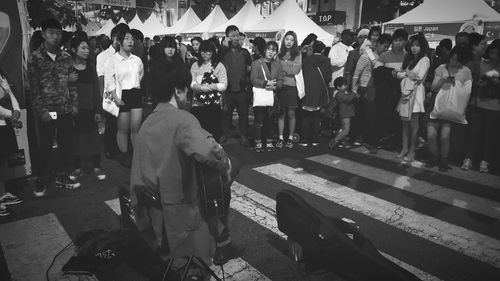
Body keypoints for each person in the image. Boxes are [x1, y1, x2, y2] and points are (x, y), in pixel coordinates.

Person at [129, 67, 244, 278]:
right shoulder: (182, 119)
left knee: (215, 180)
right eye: (186, 91)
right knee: (226, 173)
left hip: (150, 208)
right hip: (177, 210)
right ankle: (221, 239)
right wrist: (225, 162)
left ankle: (221, 237)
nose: (188, 97)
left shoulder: (149, 120)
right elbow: (209, 151)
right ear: (178, 91)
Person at [28, 18, 80, 197]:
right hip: (46, 110)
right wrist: (42, 111)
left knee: (66, 143)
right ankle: (41, 178)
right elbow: (34, 89)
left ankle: (62, 175)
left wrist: (74, 104)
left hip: (65, 108)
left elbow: (73, 83)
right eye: (51, 33)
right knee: (45, 145)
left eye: (58, 33)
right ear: (43, 34)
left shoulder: (66, 57)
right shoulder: (35, 57)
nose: (55, 37)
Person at [427, 46, 472, 172]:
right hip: (436, 105)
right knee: (431, 135)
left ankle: (443, 161)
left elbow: (467, 91)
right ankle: (434, 157)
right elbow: (433, 88)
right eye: (453, 59)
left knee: (445, 136)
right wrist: (443, 80)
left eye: (458, 61)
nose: (455, 63)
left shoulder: (466, 71)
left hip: (453, 108)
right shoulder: (441, 68)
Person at [104, 29, 144, 168]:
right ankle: (124, 155)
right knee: (122, 129)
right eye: (127, 38)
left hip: (136, 94)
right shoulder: (112, 60)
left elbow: (141, 75)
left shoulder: (137, 59)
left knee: (136, 128)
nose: (130, 41)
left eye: (132, 39)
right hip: (122, 95)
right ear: (119, 42)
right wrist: (115, 97)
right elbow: (109, 81)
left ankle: (137, 155)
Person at [68, 36, 106, 182]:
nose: (86, 50)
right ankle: (77, 167)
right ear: (73, 50)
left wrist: (98, 110)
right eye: (83, 48)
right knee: (75, 138)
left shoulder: (90, 67)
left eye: (87, 48)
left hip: (90, 108)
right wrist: (67, 79)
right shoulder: (68, 68)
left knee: (93, 137)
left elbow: (96, 90)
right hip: (74, 109)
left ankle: (97, 166)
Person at [461, 40, 500, 173]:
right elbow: (473, 81)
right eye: (492, 52)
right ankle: (468, 158)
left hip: (494, 105)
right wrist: (480, 83)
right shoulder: (482, 64)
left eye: (497, 54)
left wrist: (496, 82)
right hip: (477, 101)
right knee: (474, 132)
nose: (494, 56)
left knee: (488, 134)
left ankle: (485, 160)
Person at [352, 33, 393, 154]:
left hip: (375, 89)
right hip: (364, 88)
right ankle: (363, 139)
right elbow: (356, 73)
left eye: (388, 47)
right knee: (368, 115)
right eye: (385, 46)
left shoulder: (382, 58)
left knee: (371, 116)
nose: (386, 49)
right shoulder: (367, 56)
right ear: (378, 44)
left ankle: (367, 138)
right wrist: (354, 90)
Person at [395, 34, 431, 162]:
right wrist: (407, 73)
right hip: (405, 93)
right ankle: (404, 148)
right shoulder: (409, 59)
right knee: (404, 123)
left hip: (415, 94)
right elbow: (399, 75)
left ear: (422, 46)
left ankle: (412, 150)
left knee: (413, 124)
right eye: (412, 45)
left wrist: (405, 74)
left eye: (417, 45)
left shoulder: (424, 60)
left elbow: (419, 77)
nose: (414, 48)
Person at [96, 23, 129, 160]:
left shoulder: (127, 55)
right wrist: (103, 100)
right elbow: (101, 79)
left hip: (125, 94)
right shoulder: (103, 56)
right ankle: (110, 149)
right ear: (114, 38)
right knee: (111, 125)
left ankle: (123, 149)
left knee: (123, 124)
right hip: (110, 95)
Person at [220, 25, 252, 146]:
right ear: (227, 37)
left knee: (243, 115)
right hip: (227, 90)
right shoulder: (223, 52)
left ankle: (244, 135)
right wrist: (224, 46)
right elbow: (217, 60)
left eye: (237, 35)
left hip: (242, 90)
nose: (236, 38)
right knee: (226, 115)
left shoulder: (245, 52)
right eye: (232, 36)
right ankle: (224, 134)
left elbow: (249, 67)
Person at [190, 40, 228, 142]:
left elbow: (224, 85)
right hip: (197, 104)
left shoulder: (218, 65)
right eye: (202, 51)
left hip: (214, 104)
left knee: (214, 132)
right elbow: (192, 83)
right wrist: (199, 87)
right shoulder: (195, 65)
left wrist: (208, 87)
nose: (205, 54)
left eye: (208, 52)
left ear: (213, 52)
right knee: (199, 132)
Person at [250, 40, 283, 152]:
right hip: (260, 95)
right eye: (269, 49)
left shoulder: (277, 65)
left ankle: (269, 142)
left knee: (270, 120)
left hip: (272, 95)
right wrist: (266, 83)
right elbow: (253, 79)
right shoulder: (256, 63)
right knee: (258, 120)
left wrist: (276, 86)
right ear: (264, 50)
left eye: (274, 50)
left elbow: (280, 80)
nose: (271, 52)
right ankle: (258, 142)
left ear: (276, 53)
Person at [298, 41, 332, 147]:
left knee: (306, 117)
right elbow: (328, 78)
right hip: (319, 91)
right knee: (316, 117)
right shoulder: (326, 60)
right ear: (322, 50)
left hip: (307, 91)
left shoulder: (306, 60)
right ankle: (315, 140)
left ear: (312, 49)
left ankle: (304, 139)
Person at [0, 68, 23, 216]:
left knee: (1, 161)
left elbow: (10, 94)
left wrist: (16, 112)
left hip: (3, 124)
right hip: (4, 118)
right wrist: (12, 115)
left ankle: (2, 194)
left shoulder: (2, 74)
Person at [277, 30, 302, 149]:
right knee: (281, 113)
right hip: (281, 87)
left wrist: (284, 67)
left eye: (292, 40)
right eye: (287, 39)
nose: (289, 42)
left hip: (292, 87)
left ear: (294, 42)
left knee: (291, 113)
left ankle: (291, 137)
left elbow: (295, 71)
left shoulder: (298, 54)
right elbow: (277, 70)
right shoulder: (279, 54)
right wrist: (288, 66)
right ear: (284, 40)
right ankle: (281, 138)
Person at [149, 36, 185, 109]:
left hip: (175, 97)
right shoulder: (156, 62)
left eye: (173, 47)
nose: (170, 49)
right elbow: (152, 82)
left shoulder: (179, 61)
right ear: (162, 48)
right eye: (168, 47)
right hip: (160, 98)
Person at [329, 77, 356, 149]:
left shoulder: (341, 92)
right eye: (344, 85)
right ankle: (335, 140)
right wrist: (354, 92)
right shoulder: (339, 94)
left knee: (343, 129)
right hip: (345, 114)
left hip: (346, 113)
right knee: (346, 130)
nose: (346, 86)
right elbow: (348, 98)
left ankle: (342, 141)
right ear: (338, 87)